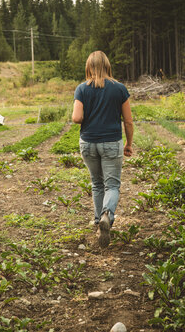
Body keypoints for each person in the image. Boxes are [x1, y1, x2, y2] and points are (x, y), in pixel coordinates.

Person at [72, 51, 134, 248]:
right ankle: (107, 215)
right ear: (107, 65)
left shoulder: (82, 89)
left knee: (97, 184)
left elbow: (76, 118)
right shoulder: (119, 89)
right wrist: (129, 144)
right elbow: (129, 121)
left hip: (88, 143)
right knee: (112, 185)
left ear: (89, 66)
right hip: (111, 142)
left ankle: (99, 220)